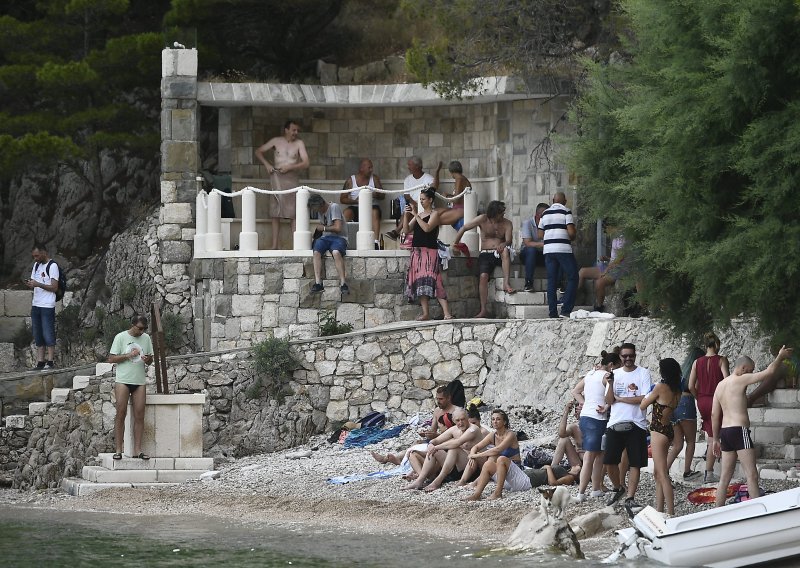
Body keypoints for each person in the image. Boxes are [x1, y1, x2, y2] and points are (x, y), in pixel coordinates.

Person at [713, 345, 794, 507]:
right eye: (750, 370)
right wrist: (779, 357)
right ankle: (757, 512)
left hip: (725, 432)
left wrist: (715, 439)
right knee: (751, 474)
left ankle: (716, 512)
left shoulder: (720, 386)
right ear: (743, 368)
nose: (751, 374)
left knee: (725, 477)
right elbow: (769, 373)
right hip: (739, 430)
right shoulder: (740, 378)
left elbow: (714, 414)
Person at [603, 342, 651, 513]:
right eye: (625, 356)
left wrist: (621, 399)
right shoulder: (614, 374)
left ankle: (630, 497)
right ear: (620, 357)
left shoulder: (643, 373)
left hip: (636, 423)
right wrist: (610, 385)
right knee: (609, 461)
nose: (628, 359)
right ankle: (618, 487)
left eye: (631, 355)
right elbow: (609, 401)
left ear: (635, 355)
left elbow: (644, 399)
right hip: (615, 422)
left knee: (635, 463)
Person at [572, 350, 622, 501]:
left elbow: (575, 391)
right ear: (612, 365)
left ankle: (595, 489)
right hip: (597, 418)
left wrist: (584, 403)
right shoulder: (605, 376)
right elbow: (612, 394)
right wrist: (607, 405)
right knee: (590, 456)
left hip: (586, 416)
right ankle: (581, 493)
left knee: (600, 454)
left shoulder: (590, 374)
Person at [370, 385, 461, 466]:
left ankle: (395, 460)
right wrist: (426, 434)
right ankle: (390, 458)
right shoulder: (437, 411)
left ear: (449, 398)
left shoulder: (456, 412)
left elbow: (457, 436)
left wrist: (435, 436)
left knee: (418, 448)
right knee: (416, 443)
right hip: (438, 440)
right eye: (437, 399)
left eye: (441, 399)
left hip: (448, 444)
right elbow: (432, 430)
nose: (438, 401)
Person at [452, 201, 515, 318]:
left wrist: (504, 244)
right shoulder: (483, 219)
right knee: (483, 277)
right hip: (485, 254)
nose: (503, 215)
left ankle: (506, 283)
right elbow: (464, 228)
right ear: (494, 213)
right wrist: (455, 243)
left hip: (499, 253)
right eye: (501, 213)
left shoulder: (507, 223)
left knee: (506, 250)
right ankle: (483, 309)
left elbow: (509, 240)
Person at [255, 120, 310, 250]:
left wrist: (291, 166)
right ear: (286, 129)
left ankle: (297, 245)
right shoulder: (276, 141)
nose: (295, 133)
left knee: (293, 211)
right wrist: (267, 164)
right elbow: (258, 151)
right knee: (275, 210)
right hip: (277, 176)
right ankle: (275, 245)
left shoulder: (299, 143)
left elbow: (306, 162)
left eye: (297, 130)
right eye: (293, 130)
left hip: (291, 178)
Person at [107, 315, 154, 460]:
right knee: (121, 413)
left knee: (140, 415)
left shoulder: (146, 338)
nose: (142, 331)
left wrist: (147, 359)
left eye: (144, 329)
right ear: (132, 325)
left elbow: (150, 359)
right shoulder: (120, 337)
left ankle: (138, 450)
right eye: (140, 328)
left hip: (139, 381)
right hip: (123, 380)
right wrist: (128, 355)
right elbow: (111, 358)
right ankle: (118, 449)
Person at [401, 408, 483, 491]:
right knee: (433, 451)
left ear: (467, 418)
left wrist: (436, 447)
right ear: (454, 421)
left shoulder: (473, 429)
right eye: (458, 420)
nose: (460, 423)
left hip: (471, 468)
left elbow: (457, 442)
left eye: (463, 419)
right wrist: (431, 445)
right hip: (454, 467)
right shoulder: (454, 429)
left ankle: (438, 481)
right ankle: (420, 480)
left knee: (453, 448)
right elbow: (436, 440)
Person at [402, 187, 453, 321]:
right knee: (420, 282)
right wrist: (407, 215)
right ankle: (425, 313)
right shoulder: (419, 214)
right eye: (420, 199)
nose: (421, 201)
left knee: (435, 280)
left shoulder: (434, 214)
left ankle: (446, 313)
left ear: (430, 200)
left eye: (423, 199)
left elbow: (427, 228)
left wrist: (416, 215)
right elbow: (406, 230)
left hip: (429, 252)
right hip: (417, 252)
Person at [641, 358, 682, 515]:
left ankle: (671, 512)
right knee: (658, 473)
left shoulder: (659, 387)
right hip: (668, 430)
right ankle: (659, 510)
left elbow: (643, 405)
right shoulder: (677, 391)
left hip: (657, 430)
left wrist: (648, 393)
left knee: (663, 474)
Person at [688, 332, 730, 484]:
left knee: (711, 435)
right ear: (717, 344)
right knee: (716, 436)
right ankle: (710, 473)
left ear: (705, 345)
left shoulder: (696, 362)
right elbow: (727, 381)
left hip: (702, 400)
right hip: (716, 400)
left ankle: (711, 469)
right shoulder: (721, 360)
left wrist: (698, 396)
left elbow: (690, 385)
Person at [464, 409, 529, 500]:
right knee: (488, 463)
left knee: (497, 457)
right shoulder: (493, 435)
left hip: (515, 471)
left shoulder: (510, 434)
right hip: (502, 473)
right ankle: (476, 494)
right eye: (493, 419)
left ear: (504, 421)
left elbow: (498, 449)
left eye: (498, 419)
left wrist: (476, 456)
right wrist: (472, 454)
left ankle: (497, 493)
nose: (495, 421)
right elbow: (476, 447)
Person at [538, 192, 579, 318]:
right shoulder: (566, 211)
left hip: (549, 250)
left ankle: (552, 313)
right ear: (565, 201)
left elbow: (540, 235)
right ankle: (566, 310)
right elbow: (571, 233)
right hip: (563, 249)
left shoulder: (545, 213)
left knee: (552, 281)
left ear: (553, 200)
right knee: (573, 276)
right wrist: (572, 236)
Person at [667, 347, 705, 480]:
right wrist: (699, 399)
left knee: (677, 444)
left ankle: (663, 472)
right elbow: (693, 387)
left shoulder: (680, 371)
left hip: (674, 404)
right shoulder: (696, 370)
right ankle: (687, 471)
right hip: (686, 402)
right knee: (690, 441)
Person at [385, 156, 439, 241]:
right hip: (413, 205)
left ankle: (397, 232)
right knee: (408, 209)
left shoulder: (428, 178)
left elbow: (435, 187)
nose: (408, 167)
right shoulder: (408, 179)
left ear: (417, 166)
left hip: (426, 207)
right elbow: (407, 196)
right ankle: (400, 233)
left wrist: (437, 171)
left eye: (410, 165)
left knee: (410, 210)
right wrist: (415, 205)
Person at [25, 243, 59, 370]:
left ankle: (50, 361)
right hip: (36, 304)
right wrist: (31, 284)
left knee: (48, 333)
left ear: (44, 252)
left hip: (47, 305)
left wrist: (38, 284)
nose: (35, 258)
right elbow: (35, 282)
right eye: (34, 256)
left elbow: (54, 287)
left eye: (37, 256)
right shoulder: (36, 265)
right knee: (38, 333)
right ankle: (40, 361)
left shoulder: (53, 266)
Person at [578, 230, 629, 312]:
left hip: (619, 269)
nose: (605, 230)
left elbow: (621, 258)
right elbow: (614, 258)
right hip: (610, 266)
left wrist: (606, 269)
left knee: (599, 282)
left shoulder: (623, 238)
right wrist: (607, 258)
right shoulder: (615, 238)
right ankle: (574, 296)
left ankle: (599, 306)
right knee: (582, 271)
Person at [307, 194, 348, 294]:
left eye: (316, 209)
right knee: (316, 252)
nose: (316, 212)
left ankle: (343, 283)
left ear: (320, 205)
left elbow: (338, 228)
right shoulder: (321, 212)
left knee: (336, 252)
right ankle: (318, 283)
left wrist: (324, 228)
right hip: (325, 238)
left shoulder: (334, 207)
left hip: (339, 238)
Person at [340, 158, 384, 249]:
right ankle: (343, 240)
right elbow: (342, 199)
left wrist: (374, 194)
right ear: (362, 168)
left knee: (374, 211)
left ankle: (376, 242)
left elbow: (383, 196)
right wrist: (356, 201)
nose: (371, 170)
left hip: (371, 207)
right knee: (346, 213)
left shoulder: (374, 179)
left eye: (372, 167)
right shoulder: (351, 180)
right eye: (369, 167)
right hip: (356, 207)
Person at [519, 203, 549, 292]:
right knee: (531, 250)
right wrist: (545, 244)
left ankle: (559, 283)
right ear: (537, 215)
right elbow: (527, 243)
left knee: (557, 251)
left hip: (543, 254)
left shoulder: (549, 224)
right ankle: (528, 283)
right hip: (527, 255)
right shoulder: (527, 223)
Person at [436, 160, 469, 230]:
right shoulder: (461, 178)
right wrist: (449, 195)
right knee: (434, 212)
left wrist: (447, 196)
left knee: (435, 218)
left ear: (451, 171)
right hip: (457, 208)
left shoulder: (459, 179)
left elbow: (456, 200)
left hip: (461, 209)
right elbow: (460, 196)